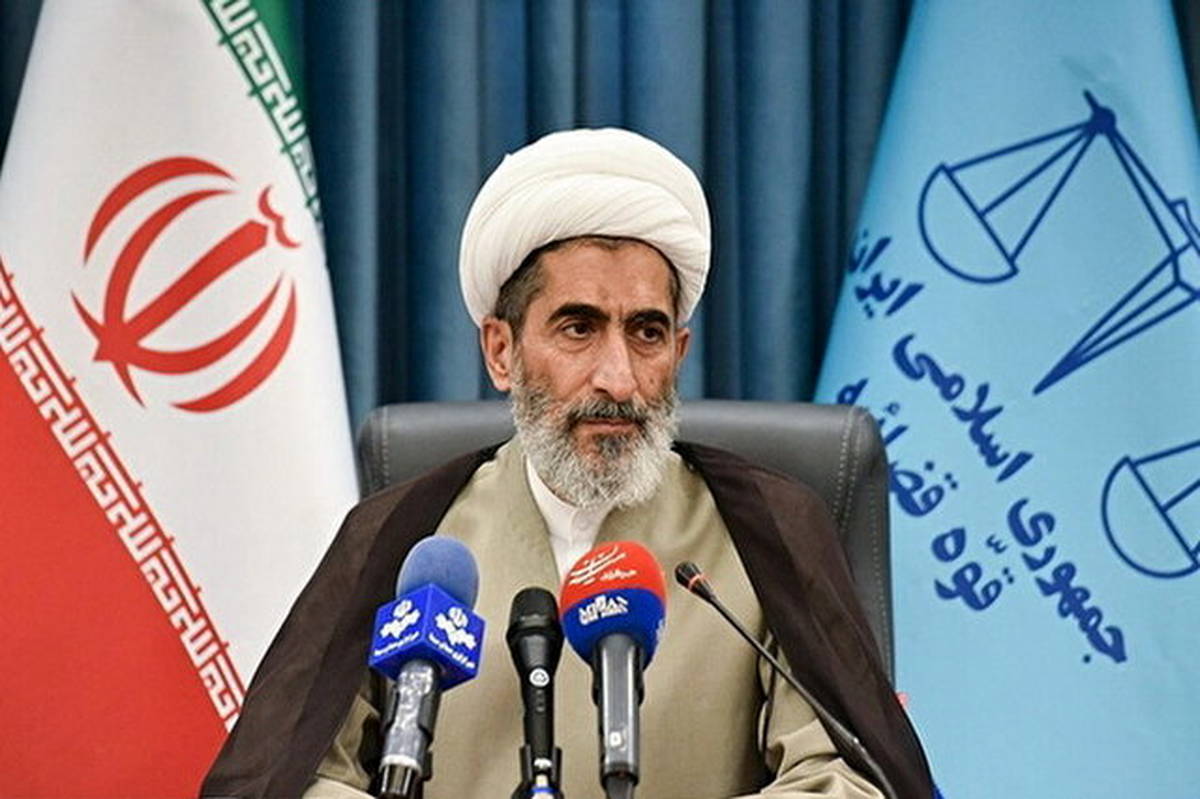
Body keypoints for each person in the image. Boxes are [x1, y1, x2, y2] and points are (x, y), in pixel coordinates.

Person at [200, 129, 932, 799]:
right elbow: (290, 780)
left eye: (646, 333)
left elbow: (848, 779)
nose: (618, 377)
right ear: (501, 351)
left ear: (678, 353)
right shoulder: (403, 538)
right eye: (578, 328)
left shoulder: (766, 531)